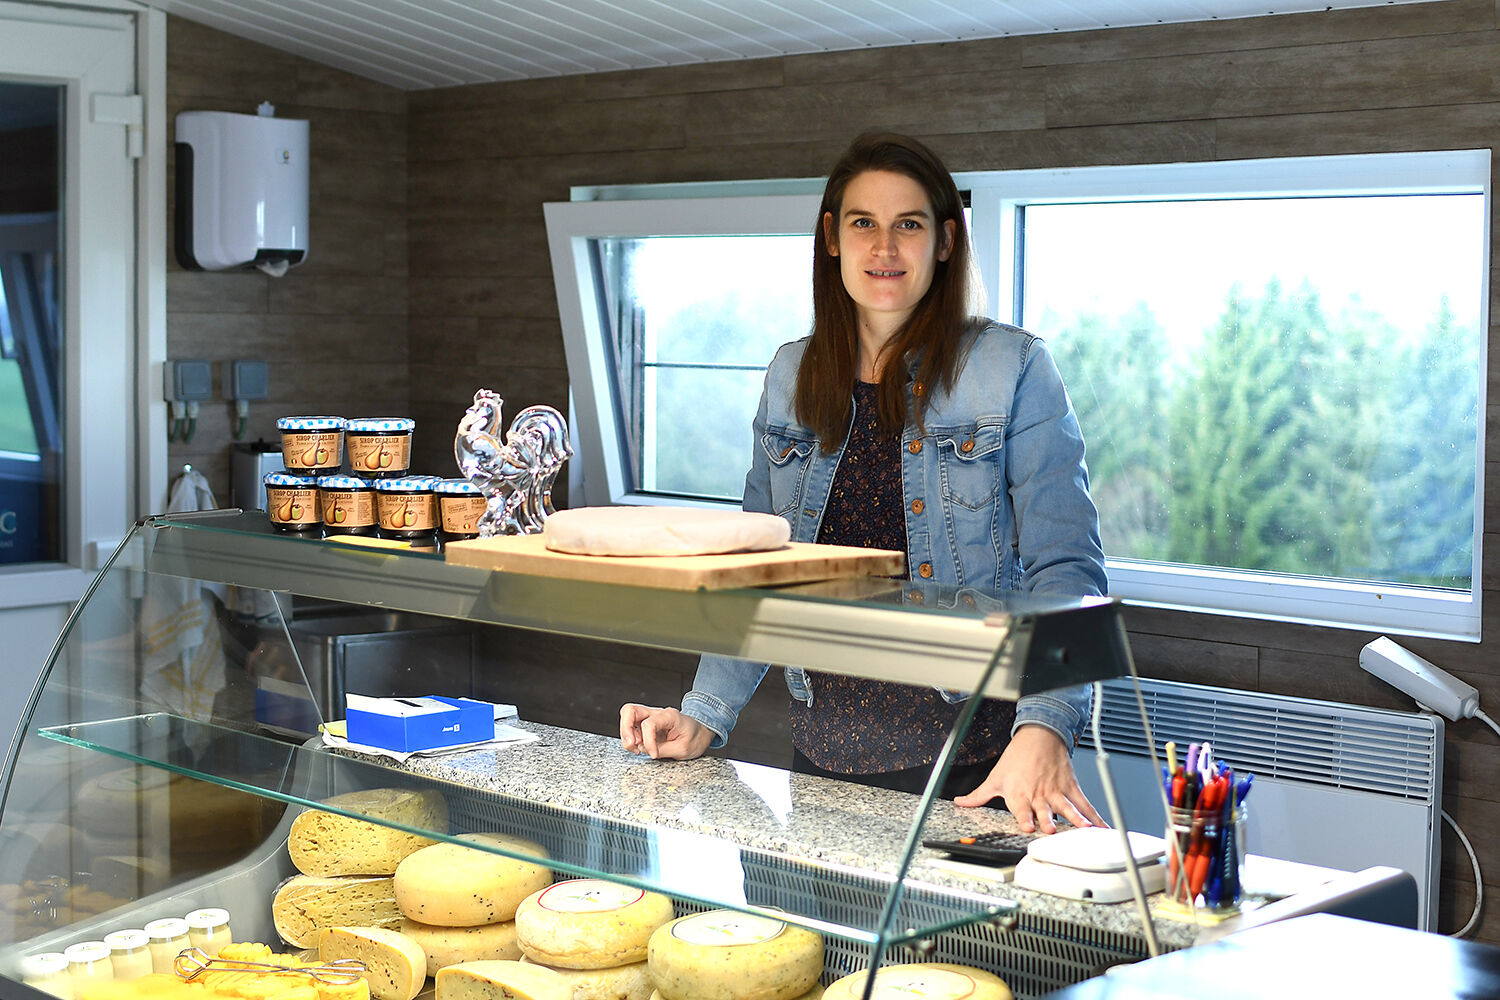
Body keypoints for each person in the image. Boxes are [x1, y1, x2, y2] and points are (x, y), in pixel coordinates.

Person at [619, 131, 1107, 834]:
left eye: (908, 224)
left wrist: (1047, 728)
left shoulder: (1014, 369)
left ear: (944, 240)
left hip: (975, 769)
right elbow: (755, 569)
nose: (885, 248)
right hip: (819, 764)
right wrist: (703, 715)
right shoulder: (791, 375)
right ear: (832, 238)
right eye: (863, 224)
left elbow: (1070, 570)